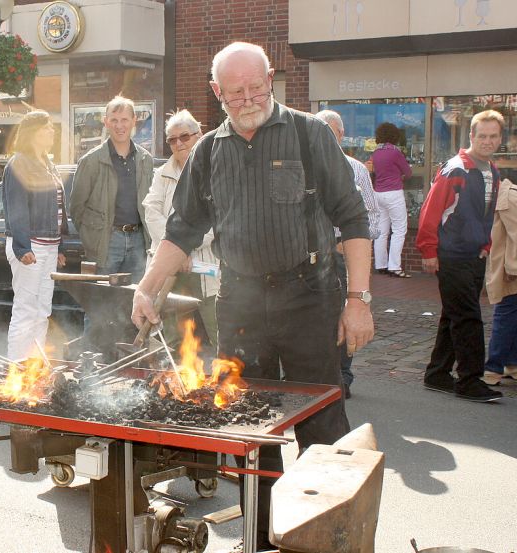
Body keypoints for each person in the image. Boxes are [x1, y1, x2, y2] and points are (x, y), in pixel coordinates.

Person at [131, 42, 373, 552]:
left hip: (309, 296)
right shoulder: (207, 151)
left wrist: (359, 300)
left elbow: (353, 219)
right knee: (248, 426)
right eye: (234, 91)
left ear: (271, 82)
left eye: (256, 87)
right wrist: (147, 287)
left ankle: (328, 539)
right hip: (239, 301)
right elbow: (181, 230)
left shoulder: (309, 135)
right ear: (216, 92)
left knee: (321, 421)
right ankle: (261, 540)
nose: (247, 99)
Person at [417, 109, 505, 403]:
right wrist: (429, 250)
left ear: (500, 138)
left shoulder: (492, 170)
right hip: (451, 255)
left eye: (493, 136)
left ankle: (437, 374)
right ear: (472, 136)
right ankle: (470, 380)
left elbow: (487, 213)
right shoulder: (454, 168)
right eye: (483, 136)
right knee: (468, 317)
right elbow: (430, 212)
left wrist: (487, 245)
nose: (488, 141)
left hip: (473, 255)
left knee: (453, 315)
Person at [315, 109, 380, 399]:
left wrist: (346, 242)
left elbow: (373, 219)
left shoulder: (356, 169)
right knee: (311, 316)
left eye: (329, 133)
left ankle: (342, 377)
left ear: (341, 135)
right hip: (309, 256)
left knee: (343, 315)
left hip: (341, 254)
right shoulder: (304, 165)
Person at [141, 110, 218, 343]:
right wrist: (175, 249)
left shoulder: (216, 171)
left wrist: (184, 246)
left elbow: (220, 219)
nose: (178, 143)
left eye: (184, 137)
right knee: (173, 334)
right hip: (170, 267)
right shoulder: (161, 174)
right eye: (172, 140)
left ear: (199, 135)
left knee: (217, 329)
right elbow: (150, 210)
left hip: (206, 264)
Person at [2, 111, 67, 360]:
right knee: (26, 309)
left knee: (43, 310)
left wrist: (60, 246)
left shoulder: (47, 162)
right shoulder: (19, 163)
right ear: (32, 133)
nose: (52, 132)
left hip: (48, 245)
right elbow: (16, 207)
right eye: (46, 128)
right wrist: (21, 247)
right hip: (31, 246)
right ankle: (16, 367)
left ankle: (34, 366)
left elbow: (58, 208)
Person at [70, 95, 154, 283]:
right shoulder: (91, 161)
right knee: (100, 304)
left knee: (135, 303)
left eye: (124, 120)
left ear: (134, 121)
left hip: (139, 241)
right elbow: (76, 209)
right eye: (114, 120)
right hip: (106, 242)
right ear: (106, 122)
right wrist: (94, 238)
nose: (119, 125)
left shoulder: (145, 159)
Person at [483, 177, 517, 385]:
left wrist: (516, 268)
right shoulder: (507, 196)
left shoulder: (508, 199)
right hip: (512, 267)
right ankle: (516, 364)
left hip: (514, 271)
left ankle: (493, 369)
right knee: (511, 316)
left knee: (504, 316)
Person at [371, 122, 413, 278]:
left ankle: (380, 265)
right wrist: (400, 175)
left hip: (378, 193)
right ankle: (394, 267)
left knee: (381, 231)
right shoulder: (395, 152)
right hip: (394, 193)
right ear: (394, 136)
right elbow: (408, 173)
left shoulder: (376, 152)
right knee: (399, 230)